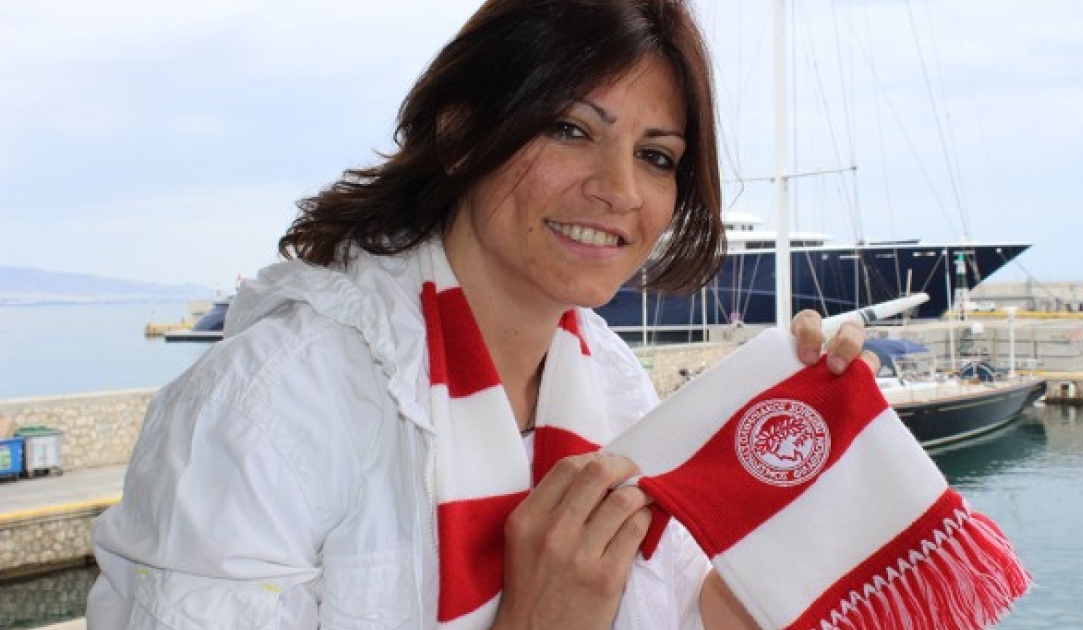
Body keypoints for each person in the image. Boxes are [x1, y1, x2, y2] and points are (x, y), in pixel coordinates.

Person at [86, 0, 872, 628]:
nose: (620, 190)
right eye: (570, 129)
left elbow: (673, 611)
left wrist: (805, 470)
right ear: (461, 132)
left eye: (655, 156)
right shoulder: (271, 408)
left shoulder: (612, 386)